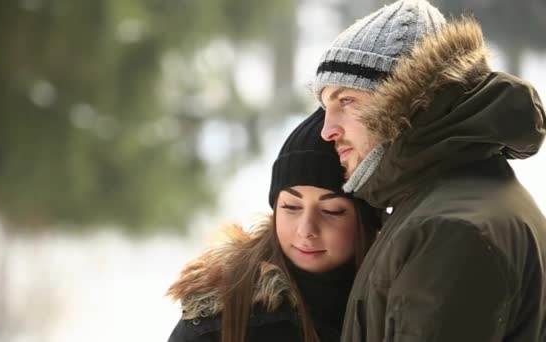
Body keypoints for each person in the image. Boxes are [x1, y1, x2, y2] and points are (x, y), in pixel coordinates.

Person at [312, 0, 546, 341]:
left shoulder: (449, 229)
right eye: (325, 106)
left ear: (404, 101)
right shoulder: (447, 201)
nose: (327, 129)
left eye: (346, 101)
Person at [166, 108, 381, 342]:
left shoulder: (398, 299)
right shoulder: (220, 320)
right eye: (291, 207)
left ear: (366, 221)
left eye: (331, 211)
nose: (306, 230)